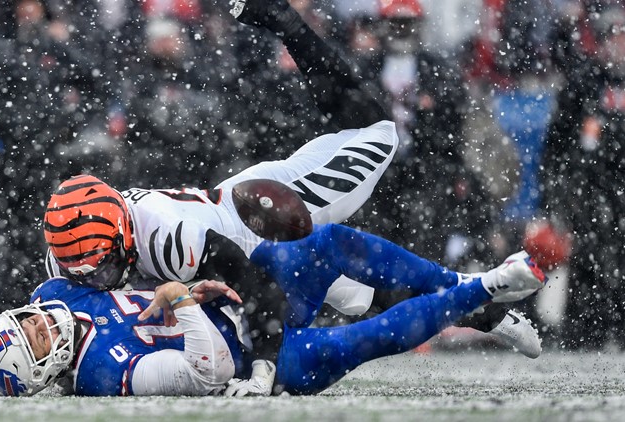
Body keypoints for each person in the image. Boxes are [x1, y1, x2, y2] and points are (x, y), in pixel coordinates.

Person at [41, 0, 542, 361]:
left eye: (104, 267)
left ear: (124, 235)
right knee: (361, 298)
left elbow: (256, 288)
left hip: (257, 213)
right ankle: (486, 309)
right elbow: (60, 299)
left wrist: (261, 365)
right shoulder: (76, 246)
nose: (98, 278)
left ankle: (285, 21)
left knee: (376, 131)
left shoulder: (171, 238)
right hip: (244, 238)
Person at [0, 249, 546, 397]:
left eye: (26, 321)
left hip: (242, 306)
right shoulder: (104, 372)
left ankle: (488, 309)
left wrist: (189, 292)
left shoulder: (54, 294)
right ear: (43, 371)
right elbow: (208, 371)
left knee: (330, 246)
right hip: (262, 365)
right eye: (36, 339)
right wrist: (182, 301)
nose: (40, 323)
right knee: (373, 336)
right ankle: (485, 288)